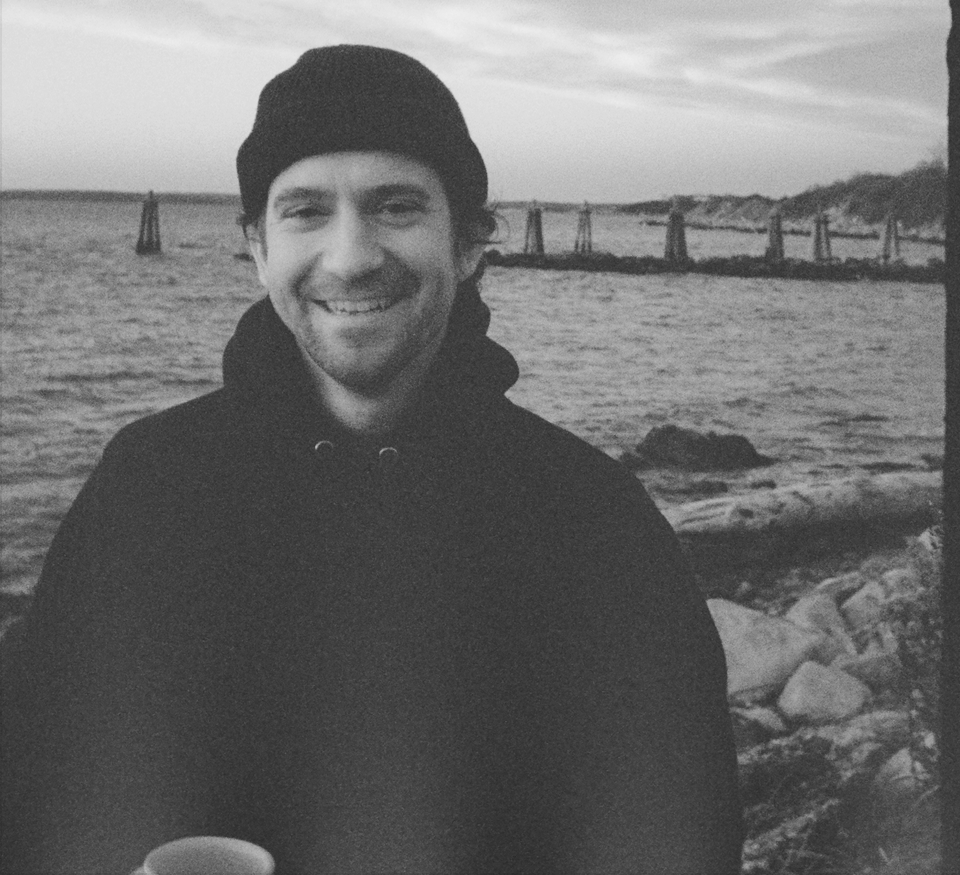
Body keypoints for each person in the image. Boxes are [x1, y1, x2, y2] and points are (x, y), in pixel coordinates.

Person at [1, 46, 743, 875]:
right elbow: (40, 796)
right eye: (305, 211)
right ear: (257, 249)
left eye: (395, 207)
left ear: (469, 243)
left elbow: (681, 835)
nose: (351, 257)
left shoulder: (591, 520)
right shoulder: (150, 489)